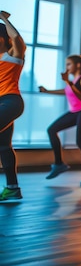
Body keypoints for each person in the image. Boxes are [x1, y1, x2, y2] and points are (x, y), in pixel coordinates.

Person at [39, 55, 81, 187]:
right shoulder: (74, 80)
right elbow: (67, 91)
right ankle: (59, 164)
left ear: (78, 65)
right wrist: (47, 91)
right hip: (75, 112)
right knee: (51, 130)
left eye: (69, 64)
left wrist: (68, 82)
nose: (66, 67)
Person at [0, 11, 26, 200]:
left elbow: (16, 37)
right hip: (3, 104)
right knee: (4, 146)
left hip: (11, 102)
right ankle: (13, 188)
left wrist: (3, 18)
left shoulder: (13, 56)